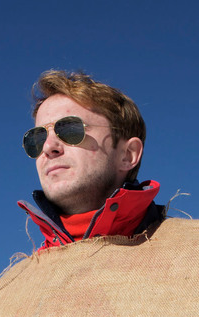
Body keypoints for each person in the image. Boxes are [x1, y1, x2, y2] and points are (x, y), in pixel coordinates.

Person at [17, 70, 165, 251]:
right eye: (37, 139)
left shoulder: (197, 253)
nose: (48, 147)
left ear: (128, 154)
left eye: (70, 130)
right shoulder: (22, 278)